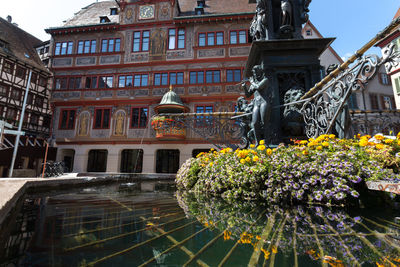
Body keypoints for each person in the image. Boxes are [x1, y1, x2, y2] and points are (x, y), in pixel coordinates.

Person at [241, 65, 272, 145]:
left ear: (260, 72)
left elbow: (258, 87)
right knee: (255, 123)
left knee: (264, 122)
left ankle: (267, 142)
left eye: (255, 72)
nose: (254, 74)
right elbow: (248, 95)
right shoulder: (253, 83)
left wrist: (251, 82)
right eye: (253, 73)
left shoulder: (265, 80)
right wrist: (245, 87)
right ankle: (257, 143)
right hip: (256, 103)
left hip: (264, 101)